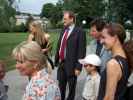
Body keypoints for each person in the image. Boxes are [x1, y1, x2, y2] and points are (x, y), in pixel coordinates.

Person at [54, 11, 86, 100]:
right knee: (61, 88)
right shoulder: (63, 29)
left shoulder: (80, 32)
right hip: (61, 64)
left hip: (72, 66)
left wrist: (79, 67)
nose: (63, 21)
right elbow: (59, 45)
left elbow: (82, 51)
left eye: (65, 19)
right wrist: (56, 60)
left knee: (71, 89)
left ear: (71, 19)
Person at [98, 23, 130, 100]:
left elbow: (109, 98)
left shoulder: (113, 64)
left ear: (115, 38)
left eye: (103, 37)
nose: (101, 41)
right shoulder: (125, 58)